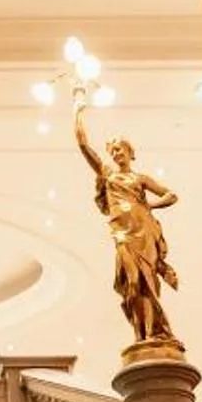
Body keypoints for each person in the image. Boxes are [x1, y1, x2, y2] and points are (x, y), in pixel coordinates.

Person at [74, 98, 181, 351]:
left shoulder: (140, 179)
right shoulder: (107, 175)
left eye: (120, 150)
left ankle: (153, 333)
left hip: (144, 232)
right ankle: (141, 334)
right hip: (123, 233)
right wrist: (77, 110)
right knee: (132, 282)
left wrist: (147, 207)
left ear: (130, 153)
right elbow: (83, 144)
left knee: (149, 283)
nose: (116, 154)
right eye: (113, 152)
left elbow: (171, 195)